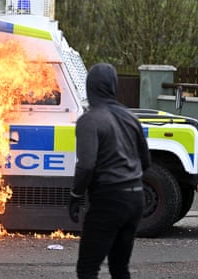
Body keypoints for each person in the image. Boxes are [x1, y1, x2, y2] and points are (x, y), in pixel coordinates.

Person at [68, 63, 151, 279]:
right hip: (136, 199)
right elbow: (146, 161)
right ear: (114, 86)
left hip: (109, 201)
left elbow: (86, 165)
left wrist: (76, 196)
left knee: (88, 268)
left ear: (90, 87)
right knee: (119, 268)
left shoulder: (89, 120)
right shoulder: (131, 118)